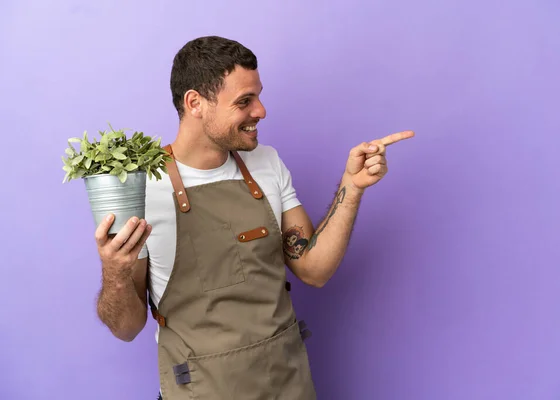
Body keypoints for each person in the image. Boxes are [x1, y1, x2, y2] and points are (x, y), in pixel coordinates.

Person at [93, 36, 414, 399]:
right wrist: (114, 272)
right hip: (203, 390)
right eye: (245, 101)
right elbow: (126, 328)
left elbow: (314, 269)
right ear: (195, 103)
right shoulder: (143, 188)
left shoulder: (267, 163)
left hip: (288, 383)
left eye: (258, 96)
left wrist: (352, 187)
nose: (261, 111)